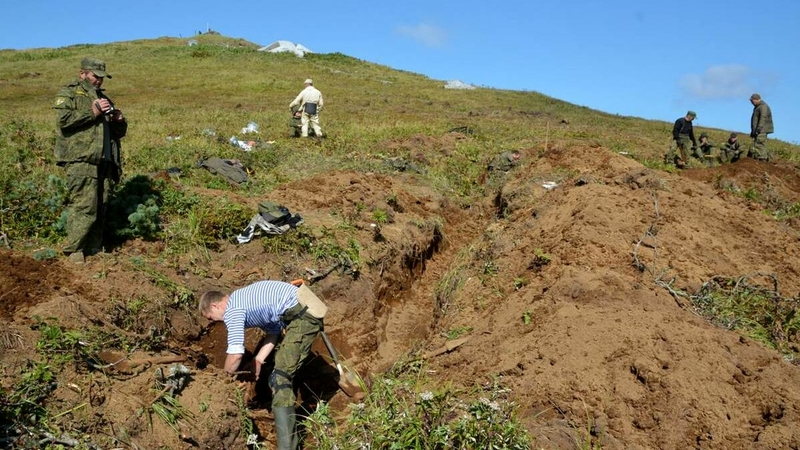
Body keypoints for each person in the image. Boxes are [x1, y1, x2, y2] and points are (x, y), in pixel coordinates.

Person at [199, 280, 325, 450]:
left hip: (302, 316)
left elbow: (235, 354)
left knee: (280, 377)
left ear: (215, 306)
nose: (214, 321)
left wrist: (224, 379)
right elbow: (273, 332)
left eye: (210, 317)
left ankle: (287, 447)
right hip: (302, 309)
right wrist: (258, 360)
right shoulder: (243, 300)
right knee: (275, 368)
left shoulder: (233, 310)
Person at [53, 57, 127, 263]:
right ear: (82, 73)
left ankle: (94, 248)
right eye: (96, 76)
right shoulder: (69, 93)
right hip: (81, 158)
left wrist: (118, 120)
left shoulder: (104, 98)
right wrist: (92, 112)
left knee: (101, 205)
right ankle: (74, 250)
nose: (99, 81)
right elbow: (63, 121)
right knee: (84, 205)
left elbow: (119, 133)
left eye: (102, 77)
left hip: (105, 161)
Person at [748, 93, 774, 161]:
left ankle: (762, 160)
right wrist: (753, 131)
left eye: (752, 100)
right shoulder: (758, 107)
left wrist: (759, 128)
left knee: (760, 145)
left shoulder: (763, 106)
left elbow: (763, 117)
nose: (751, 102)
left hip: (762, 130)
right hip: (758, 130)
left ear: (756, 99)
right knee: (756, 144)